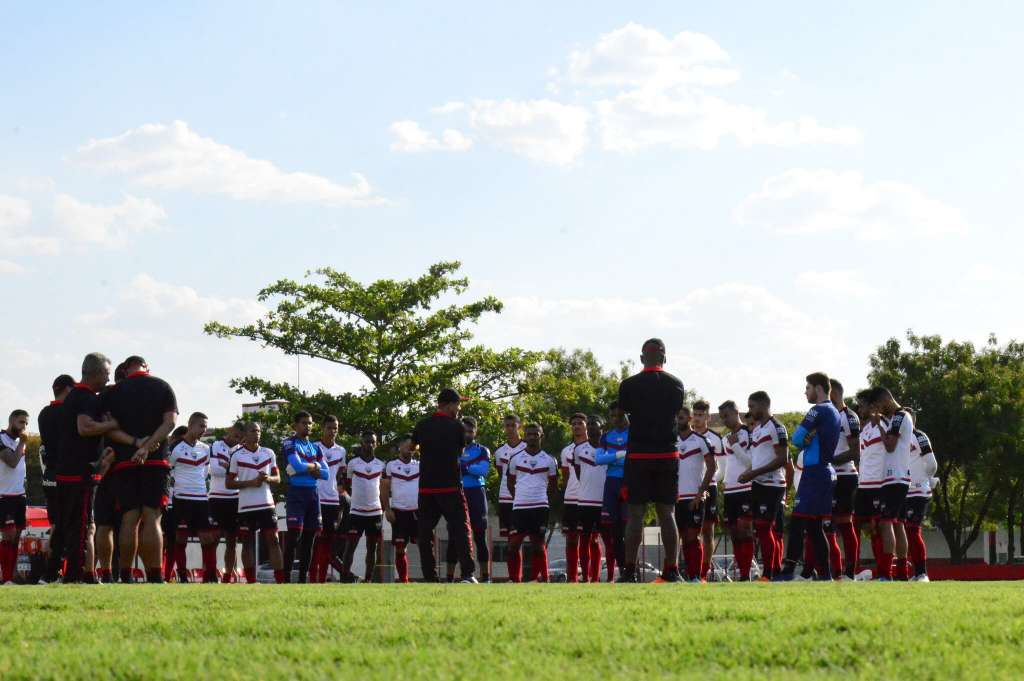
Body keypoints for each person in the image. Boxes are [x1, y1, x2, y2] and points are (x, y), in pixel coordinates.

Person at [103, 355, 178, 583]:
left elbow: (110, 430)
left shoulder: (112, 393)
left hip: (125, 462)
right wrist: (148, 446)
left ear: (125, 371)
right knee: (152, 517)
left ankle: (125, 574)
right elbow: (170, 423)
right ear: (148, 367)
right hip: (156, 462)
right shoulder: (162, 386)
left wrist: (136, 443)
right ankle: (155, 575)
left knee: (129, 518)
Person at [617, 338, 686, 583]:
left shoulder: (628, 385)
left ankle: (628, 570)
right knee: (667, 513)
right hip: (667, 453)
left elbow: (624, 411)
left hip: (638, 455)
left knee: (635, 514)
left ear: (641, 358)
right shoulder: (676, 384)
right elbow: (676, 411)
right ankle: (672, 569)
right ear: (664, 358)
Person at [54, 353, 122, 583]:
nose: (108, 378)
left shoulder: (74, 397)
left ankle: (62, 572)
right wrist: (111, 424)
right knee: (82, 528)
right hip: (79, 473)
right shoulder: (85, 397)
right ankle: (75, 575)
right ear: (94, 373)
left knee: (69, 525)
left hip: (67, 471)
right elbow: (84, 428)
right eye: (106, 373)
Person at [775, 373, 841, 581]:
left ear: (818, 388)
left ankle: (787, 572)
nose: (805, 391)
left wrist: (805, 439)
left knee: (797, 523)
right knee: (815, 527)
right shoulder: (834, 411)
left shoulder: (818, 410)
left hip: (814, 473)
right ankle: (825, 575)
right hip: (825, 471)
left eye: (808, 387)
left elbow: (795, 438)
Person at [413, 389, 476, 583]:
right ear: (448, 404)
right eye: (457, 404)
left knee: (424, 535)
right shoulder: (456, 427)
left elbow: (412, 447)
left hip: (426, 489)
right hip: (450, 488)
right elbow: (461, 450)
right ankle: (467, 574)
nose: (459, 408)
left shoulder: (422, 425)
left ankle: (430, 577)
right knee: (461, 530)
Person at [738, 391, 788, 580]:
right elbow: (758, 460)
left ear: (763, 405)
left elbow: (782, 459)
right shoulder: (758, 429)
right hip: (758, 483)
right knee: (760, 529)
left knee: (765, 527)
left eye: (751, 406)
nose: (749, 410)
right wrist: (749, 471)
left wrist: (753, 473)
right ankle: (772, 572)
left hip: (772, 484)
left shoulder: (776, 427)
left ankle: (769, 573)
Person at [227, 422, 284, 584]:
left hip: (266, 504)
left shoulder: (269, 453)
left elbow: (277, 479)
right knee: (247, 543)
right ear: (245, 433)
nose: (257, 433)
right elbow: (229, 483)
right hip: (246, 506)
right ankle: (251, 582)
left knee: (273, 540)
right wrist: (251, 482)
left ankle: (280, 582)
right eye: (253, 430)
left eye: (259, 430)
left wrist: (268, 479)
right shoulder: (237, 455)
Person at [167, 412, 219, 583]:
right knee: (179, 538)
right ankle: (181, 576)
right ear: (190, 425)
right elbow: (169, 470)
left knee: (207, 538)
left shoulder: (205, 448)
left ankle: (210, 577)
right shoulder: (175, 447)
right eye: (201, 426)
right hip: (181, 498)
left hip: (201, 498)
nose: (204, 430)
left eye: (205, 426)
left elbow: (205, 472)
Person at [506, 423, 558, 583]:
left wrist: (543, 500)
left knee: (538, 545)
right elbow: (510, 483)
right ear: (524, 436)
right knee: (513, 545)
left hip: (540, 507)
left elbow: (553, 486)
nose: (532, 437)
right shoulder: (515, 459)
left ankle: (541, 579)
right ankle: (515, 580)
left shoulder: (550, 460)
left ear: (541, 436)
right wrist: (520, 498)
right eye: (529, 434)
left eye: (536, 434)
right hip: (520, 508)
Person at [280, 411, 328, 583]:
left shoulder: (316, 447)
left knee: (309, 540)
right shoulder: (289, 442)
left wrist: (312, 469)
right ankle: (285, 580)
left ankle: (302, 581)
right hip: (296, 493)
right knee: (293, 538)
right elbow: (296, 465)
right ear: (295, 425)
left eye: (310, 423)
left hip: (313, 495)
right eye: (303, 423)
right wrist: (315, 466)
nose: (307, 426)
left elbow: (326, 474)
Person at [37, 375, 75, 583]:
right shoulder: (68, 413)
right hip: (67, 474)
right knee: (73, 527)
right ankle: (64, 572)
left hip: (49, 475)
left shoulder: (44, 413)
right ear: (69, 389)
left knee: (57, 526)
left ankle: (50, 572)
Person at [874, 387, 914, 582]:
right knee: (898, 525)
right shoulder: (898, 418)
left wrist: (879, 427)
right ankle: (902, 574)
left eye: (880, 405)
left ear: (886, 399)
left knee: (886, 522)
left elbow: (890, 446)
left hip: (895, 478)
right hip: (899, 477)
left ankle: (885, 573)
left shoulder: (899, 417)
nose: (880, 410)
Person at [675, 406, 715, 582]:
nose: (679, 419)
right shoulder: (671, 441)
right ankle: (689, 575)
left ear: (689, 418)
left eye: (682, 416)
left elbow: (712, 467)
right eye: (677, 417)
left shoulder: (701, 440)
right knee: (683, 537)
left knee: (693, 536)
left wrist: (701, 493)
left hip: (694, 497)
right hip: (676, 498)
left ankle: (696, 577)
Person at [449, 417, 490, 581]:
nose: (467, 434)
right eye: (464, 431)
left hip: (476, 493)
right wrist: (469, 468)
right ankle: (449, 578)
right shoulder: (451, 448)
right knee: (454, 537)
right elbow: (448, 469)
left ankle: (485, 577)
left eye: (470, 431)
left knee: (480, 536)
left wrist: (464, 467)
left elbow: (483, 470)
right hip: (456, 492)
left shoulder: (482, 450)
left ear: (475, 432)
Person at [339, 431, 384, 582]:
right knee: (350, 546)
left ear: (376, 444)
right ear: (361, 443)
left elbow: (384, 488)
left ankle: (368, 579)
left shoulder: (381, 465)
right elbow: (346, 485)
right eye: (367, 441)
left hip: (375, 512)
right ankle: (344, 578)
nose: (369, 444)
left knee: (372, 548)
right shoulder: (352, 464)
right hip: (356, 512)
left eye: (372, 442)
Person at [718, 400, 755, 580]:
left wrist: (735, 445)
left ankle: (747, 573)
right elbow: (725, 466)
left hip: (746, 488)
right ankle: (741, 573)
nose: (724, 420)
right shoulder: (725, 438)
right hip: (730, 490)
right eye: (722, 417)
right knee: (734, 533)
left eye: (727, 416)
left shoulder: (748, 433)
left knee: (745, 530)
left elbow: (750, 462)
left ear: (736, 412)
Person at [830, 379, 862, 580]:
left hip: (846, 476)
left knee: (844, 523)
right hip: (829, 476)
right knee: (826, 524)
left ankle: (850, 572)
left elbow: (855, 451)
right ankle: (833, 572)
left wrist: (829, 459)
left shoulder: (849, 417)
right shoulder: (828, 417)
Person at [594, 403, 629, 581]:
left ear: (627, 415)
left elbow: (635, 459)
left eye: (620, 415)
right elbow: (598, 459)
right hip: (612, 485)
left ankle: (632, 568)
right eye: (613, 416)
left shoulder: (635, 434)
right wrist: (620, 455)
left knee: (630, 530)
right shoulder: (606, 437)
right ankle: (623, 571)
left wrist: (614, 458)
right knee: (615, 534)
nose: (617, 419)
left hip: (630, 483)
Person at [853, 389, 885, 579]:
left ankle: (885, 571)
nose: (859, 408)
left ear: (872, 406)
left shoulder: (885, 425)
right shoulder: (864, 429)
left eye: (862, 405)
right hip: (863, 484)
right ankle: (856, 571)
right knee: (860, 526)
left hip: (878, 485)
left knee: (878, 528)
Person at [311, 415, 346, 583]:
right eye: (329, 428)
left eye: (335, 428)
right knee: (314, 541)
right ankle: (312, 578)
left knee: (328, 542)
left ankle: (322, 580)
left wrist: (340, 491)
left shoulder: (341, 451)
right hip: (315, 499)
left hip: (332, 501)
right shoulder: (313, 447)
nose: (332, 431)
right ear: (322, 429)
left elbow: (341, 474)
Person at [691, 400, 724, 581]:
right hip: (689, 488)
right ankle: (692, 568)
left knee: (707, 530)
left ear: (708, 417)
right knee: (689, 530)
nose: (697, 418)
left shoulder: (715, 439)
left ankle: (704, 571)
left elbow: (720, 467)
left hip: (709, 488)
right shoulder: (685, 436)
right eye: (695, 414)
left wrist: (708, 481)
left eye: (701, 415)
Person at [903, 409, 937, 582]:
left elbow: (931, 462)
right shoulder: (897, 438)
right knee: (906, 532)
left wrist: (927, 478)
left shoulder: (919, 436)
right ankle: (914, 573)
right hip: (902, 491)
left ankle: (922, 573)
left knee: (913, 530)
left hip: (918, 490)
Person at [209, 421, 244, 583]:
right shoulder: (216, 445)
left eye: (241, 438)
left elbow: (243, 473)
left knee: (232, 541)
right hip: (217, 497)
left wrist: (227, 466)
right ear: (230, 430)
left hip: (235, 499)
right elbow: (214, 470)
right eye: (236, 435)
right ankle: (209, 574)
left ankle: (227, 576)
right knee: (213, 539)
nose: (238, 440)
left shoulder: (241, 449)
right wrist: (232, 468)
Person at [382, 435, 419, 583]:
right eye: (407, 446)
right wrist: (387, 509)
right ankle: (404, 580)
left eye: (413, 447)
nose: (410, 450)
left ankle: (431, 578)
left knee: (424, 545)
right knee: (399, 547)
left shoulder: (419, 465)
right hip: (399, 511)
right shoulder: (391, 465)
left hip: (417, 512)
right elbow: (384, 488)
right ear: (400, 447)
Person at [0, 410, 30, 583]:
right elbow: (11, 462)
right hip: (4, 496)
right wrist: (21, 445)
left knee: (16, 537)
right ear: (11, 421)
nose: (24, 427)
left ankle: (10, 577)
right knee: (8, 536)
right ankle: (6, 578)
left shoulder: (21, 441)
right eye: (21, 422)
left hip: (20, 495)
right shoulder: (1, 438)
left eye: (26, 423)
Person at [574, 415, 605, 583]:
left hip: (603, 501)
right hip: (584, 501)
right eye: (590, 425)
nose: (592, 427)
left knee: (605, 539)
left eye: (596, 424)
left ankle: (599, 578)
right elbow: (579, 473)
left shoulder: (608, 448)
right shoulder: (579, 450)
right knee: (584, 539)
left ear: (602, 428)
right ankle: (585, 578)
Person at [559, 413, 587, 583]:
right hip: (571, 498)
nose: (576, 426)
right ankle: (572, 578)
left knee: (589, 539)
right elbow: (566, 475)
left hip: (589, 499)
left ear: (586, 426)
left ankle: (591, 577)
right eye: (574, 423)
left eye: (579, 423)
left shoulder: (595, 448)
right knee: (571, 540)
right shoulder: (566, 451)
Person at [494, 415, 526, 541]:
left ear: (520, 425)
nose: (510, 428)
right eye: (507, 425)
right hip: (505, 498)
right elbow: (501, 473)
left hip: (523, 497)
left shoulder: (527, 447)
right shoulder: (499, 452)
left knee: (523, 537)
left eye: (513, 425)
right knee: (510, 541)